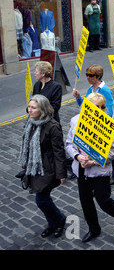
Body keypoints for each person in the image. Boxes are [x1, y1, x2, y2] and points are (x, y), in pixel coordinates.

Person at [65, 93, 114, 242]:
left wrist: (94, 162)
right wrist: (78, 157)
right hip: (81, 168)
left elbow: (113, 152)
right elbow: (69, 144)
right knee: (86, 201)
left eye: (102, 107)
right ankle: (94, 229)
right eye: (96, 107)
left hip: (99, 170)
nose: (100, 110)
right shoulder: (76, 121)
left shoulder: (108, 125)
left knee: (103, 201)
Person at [18, 94, 67, 238]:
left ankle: (59, 220)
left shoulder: (53, 127)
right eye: (29, 107)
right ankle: (53, 223)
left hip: (48, 168)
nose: (30, 110)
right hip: (35, 166)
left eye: (34, 108)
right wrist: (25, 166)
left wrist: (61, 174)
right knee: (43, 199)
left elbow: (59, 152)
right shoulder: (31, 121)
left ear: (43, 109)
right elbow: (27, 144)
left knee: (41, 199)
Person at [72, 64, 114, 184]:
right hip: (92, 123)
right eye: (87, 75)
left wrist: (101, 123)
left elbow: (109, 109)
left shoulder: (104, 89)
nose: (88, 77)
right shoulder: (91, 89)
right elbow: (85, 105)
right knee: (105, 150)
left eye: (90, 75)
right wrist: (78, 97)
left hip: (101, 125)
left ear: (98, 76)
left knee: (107, 150)